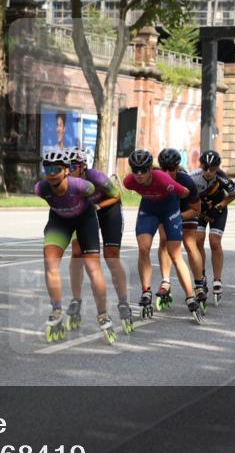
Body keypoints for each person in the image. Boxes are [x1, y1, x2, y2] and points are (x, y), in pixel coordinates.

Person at [35, 149, 115, 344]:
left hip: (85, 220)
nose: (51, 173)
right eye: (48, 169)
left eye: (56, 169)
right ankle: (56, 310)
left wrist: (97, 206)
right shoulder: (41, 188)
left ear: (66, 171)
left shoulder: (81, 185)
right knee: (50, 262)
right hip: (59, 221)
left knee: (93, 267)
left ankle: (103, 314)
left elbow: (95, 191)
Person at [123, 149, 203, 323]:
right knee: (143, 248)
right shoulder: (129, 181)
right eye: (135, 170)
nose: (139, 174)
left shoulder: (163, 179)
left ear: (150, 169)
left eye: (143, 170)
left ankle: (190, 297)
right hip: (149, 210)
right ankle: (146, 291)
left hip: (169, 210)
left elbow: (185, 192)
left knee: (175, 254)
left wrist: (182, 208)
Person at [64, 147, 134, 334]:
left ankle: (123, 302)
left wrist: (98, 206)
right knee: (76, 252)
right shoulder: (66, 183)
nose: (69, 170)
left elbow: (117, 195)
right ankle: (76, 300)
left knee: (111, 257)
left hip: (108, 209)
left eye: (73, 166)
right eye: (66, 166)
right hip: (86, 214)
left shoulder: (96, 177)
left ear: (83, 167)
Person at [155, 148, 203, 309]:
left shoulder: (186, 181)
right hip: (168, 209)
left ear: (177, 167)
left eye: (171, 169)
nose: (167, 173)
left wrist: (178, 217)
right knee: (164, 240)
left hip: (187, 209)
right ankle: (165, 281)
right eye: (164, 169)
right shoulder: (156, 179)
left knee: (189, 244)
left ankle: (198, 283)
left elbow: (196, 210)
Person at [190, 150, 235, 305]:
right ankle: (201, 275)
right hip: (201, 210)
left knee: (214, 242)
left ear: (217, 168)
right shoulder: (193, 177)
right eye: (205, 168)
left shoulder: (223, 178)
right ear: (201, 166)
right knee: (198, 240)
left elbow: (234, 194)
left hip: (218, 210)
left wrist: (219, 206)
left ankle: (217, 280)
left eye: (212, 168)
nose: (209, 171)